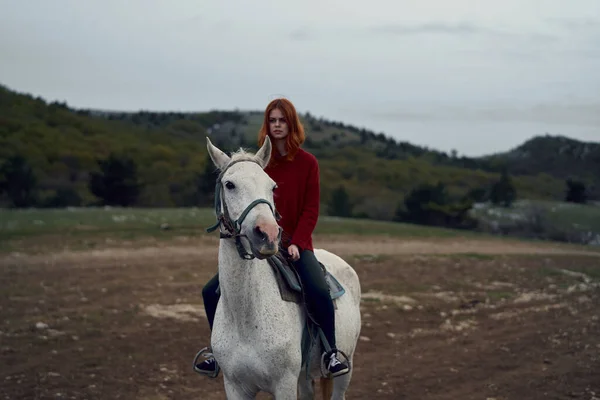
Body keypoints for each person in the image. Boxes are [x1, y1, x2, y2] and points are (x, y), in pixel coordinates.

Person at [194, 98, 350, 378]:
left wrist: (297, 243)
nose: (277, 126)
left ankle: (331, 353)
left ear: (292, 125)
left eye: (282, 121)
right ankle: (217, 354)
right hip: (258, 243)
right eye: (272, 121)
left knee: (317, 288)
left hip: (295, 246)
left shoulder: (308, 163)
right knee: (210, 291)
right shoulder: (258, 164)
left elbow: (311, 209)